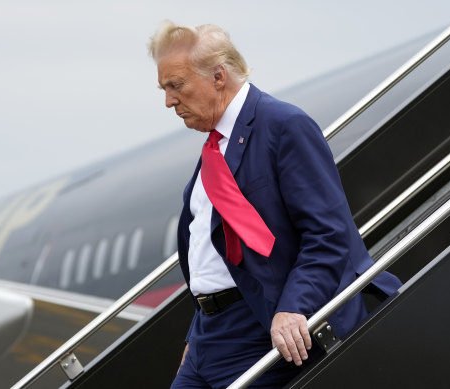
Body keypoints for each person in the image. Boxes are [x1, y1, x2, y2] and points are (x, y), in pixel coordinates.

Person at [148, 21, 401, 388]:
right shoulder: (214, 149)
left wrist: (294, 307)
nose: (169, 100)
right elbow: (214, 254)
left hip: (260, 328)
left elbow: (329, 234)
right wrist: (196, 333)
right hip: (208, 338)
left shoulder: (284, 125)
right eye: (165, 88)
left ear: (218, 76)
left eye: (176, 85)